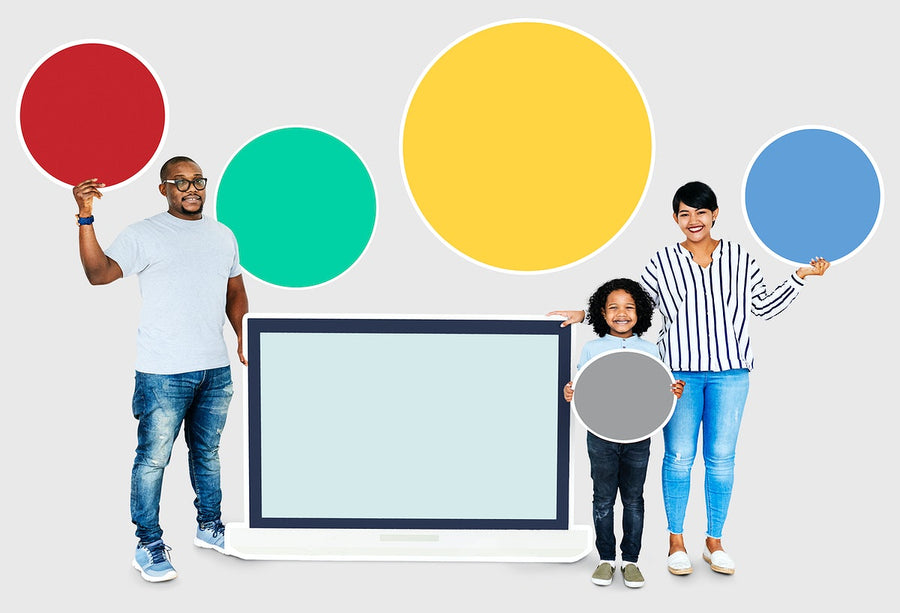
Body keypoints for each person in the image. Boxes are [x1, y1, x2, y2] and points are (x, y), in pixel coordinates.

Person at [550, 181, 828, 576]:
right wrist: (583, 314)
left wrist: (799, 276)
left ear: (714, 214)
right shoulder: (662, 261)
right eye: (684, 214)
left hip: (731, 374)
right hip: (678, 375)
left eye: (700, 212)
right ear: (675, 218)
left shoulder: (739, 257)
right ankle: (676, 542)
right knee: (679, 458)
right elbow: (633, 306)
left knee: (722, 459)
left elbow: (764, 307)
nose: (693, 220)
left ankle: (714, 542)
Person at [72, 156, 249, 583]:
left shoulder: (223, 235)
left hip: (215, 370)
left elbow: (235, 290)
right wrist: (85, 217)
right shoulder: (144, 233)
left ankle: (210, 526)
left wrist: (244, 333)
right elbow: (99, 274)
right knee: (153, 460)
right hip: (163, 374)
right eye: (180, 182)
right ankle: (148, 544)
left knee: (207, 453)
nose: (192, 189)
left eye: (198, 181)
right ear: (163, 188)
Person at [562, 278, 684, 588]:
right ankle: (605, 559)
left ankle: (630, 561)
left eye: (629, 307)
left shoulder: (650, 349)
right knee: (603, 499)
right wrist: (570, 392)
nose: (621, 313)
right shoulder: (592, 348)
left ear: (639, 312)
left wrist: (673, 391)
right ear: (602, 313)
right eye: (613, 308)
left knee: (633, 499)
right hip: (600, 436)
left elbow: (656, 388)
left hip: (638, 436)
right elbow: (583, 386)